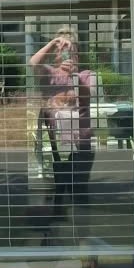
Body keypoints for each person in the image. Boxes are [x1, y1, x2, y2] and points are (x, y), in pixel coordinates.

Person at [30, 30, 95, 216]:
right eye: (62, 50)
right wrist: (54, 42)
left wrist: (74, 76)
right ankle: (52, 235)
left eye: (71, 50)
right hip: (53, 143)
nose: (66, 54)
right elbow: (33, 63)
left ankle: (82, 235)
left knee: (79, 191)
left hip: (80, 142)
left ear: (77, 54)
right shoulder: (48, 73)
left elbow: (88, 95)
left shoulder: (86, 75)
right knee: (55, 190)